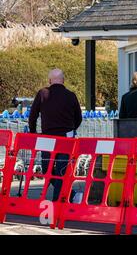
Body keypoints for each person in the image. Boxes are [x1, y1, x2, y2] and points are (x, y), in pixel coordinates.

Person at [29, 69, 82, 202]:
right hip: (66, 138)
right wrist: (71, 129)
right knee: (61, 170)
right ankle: (67, 196)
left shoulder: (43, 93)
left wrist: (33, 132)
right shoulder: (71, 95)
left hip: (47, 138)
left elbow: (33, 116)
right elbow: (79, 118)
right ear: (63, 81)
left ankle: (58, 200)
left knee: (47, 169)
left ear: (49, 81)